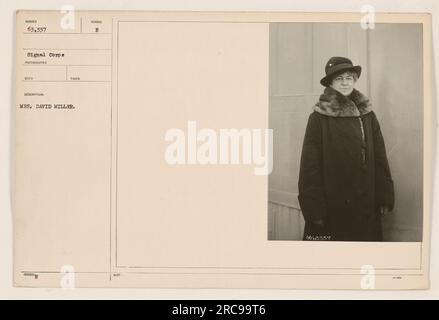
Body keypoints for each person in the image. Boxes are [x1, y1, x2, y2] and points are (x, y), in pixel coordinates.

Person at [298, 56, 395, 241]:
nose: (345, 83)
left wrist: (384, 196)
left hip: (366, 204)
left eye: (349, 78)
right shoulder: (319, 118)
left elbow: (380, 157)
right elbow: (310, 167)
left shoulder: (367, 114)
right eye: (339, 79)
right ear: (331, 84)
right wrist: (314, 209)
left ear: (354, 80)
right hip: (332, 207)